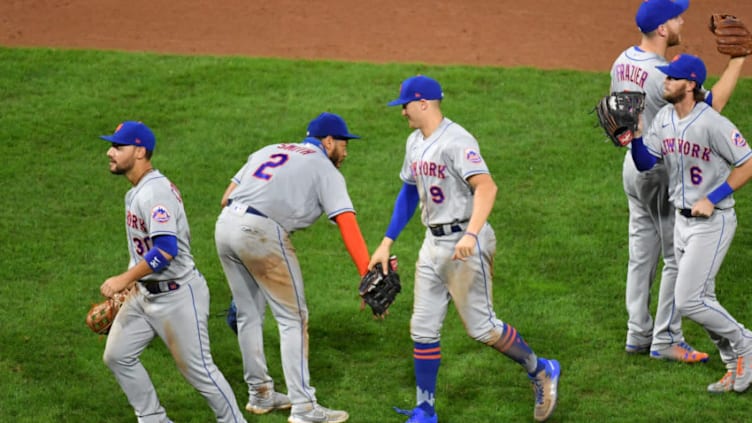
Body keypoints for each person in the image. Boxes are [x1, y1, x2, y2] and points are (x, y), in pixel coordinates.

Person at [368, 75, 560, 423]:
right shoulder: (414, 142)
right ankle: (425, 411)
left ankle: (541, 369)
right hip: (433, 244)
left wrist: (470, 235)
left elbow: (486, 187)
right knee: (422, 329)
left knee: (482, 328)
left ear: (423, 103)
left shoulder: (457, 141)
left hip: (464, 242)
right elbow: (410, 192)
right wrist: (386, 242)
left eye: (406, 106)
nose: (402, 113)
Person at [609, 0, 746, 361]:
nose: (683, 21)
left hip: (634, 166)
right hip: (665, 174)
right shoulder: (662, 74)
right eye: (677, 17)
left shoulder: (623, 60)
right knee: (676, 257)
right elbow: (709, 109)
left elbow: (619, 123)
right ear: (663, 30)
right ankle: (666, 339)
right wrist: (738, 60)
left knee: (641, 253)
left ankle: (637, 332)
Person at [214, 112, 370, 423]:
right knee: (293, 319)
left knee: (248, 314)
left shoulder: (269, 150)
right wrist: (367, 272)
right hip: (260, 233)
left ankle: (260, 393)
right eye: (343, 143)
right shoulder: (324, 167)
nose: (346, 150)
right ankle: (304, 407)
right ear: (327, 142)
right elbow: (347, 222)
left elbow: (225, 197)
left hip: (225, 227)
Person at [98, 121, 247, 423]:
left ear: (140, 151)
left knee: (199, 371)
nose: (109, 152)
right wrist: (130, 286)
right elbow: (143, 249)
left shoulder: (155, 193)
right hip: (144, 295)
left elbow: (165, 250)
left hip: (178, 295)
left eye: (118, 147)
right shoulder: (136, 192)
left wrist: (122, 280)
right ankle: (153, 419)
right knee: (117, 355)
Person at [630, 53, 752, 393]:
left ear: (692, 84)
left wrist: (711, 198)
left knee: (688, 301)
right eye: (666, 77)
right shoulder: (666, 117)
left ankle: (746, 343)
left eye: (672, 78)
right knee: (704, 299)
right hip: (681, 223)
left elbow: (747, 163)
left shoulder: (712, 122)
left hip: (713, 222)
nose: (665, 82)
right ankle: (734, 366)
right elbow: (645, 163)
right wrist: (636, 136)